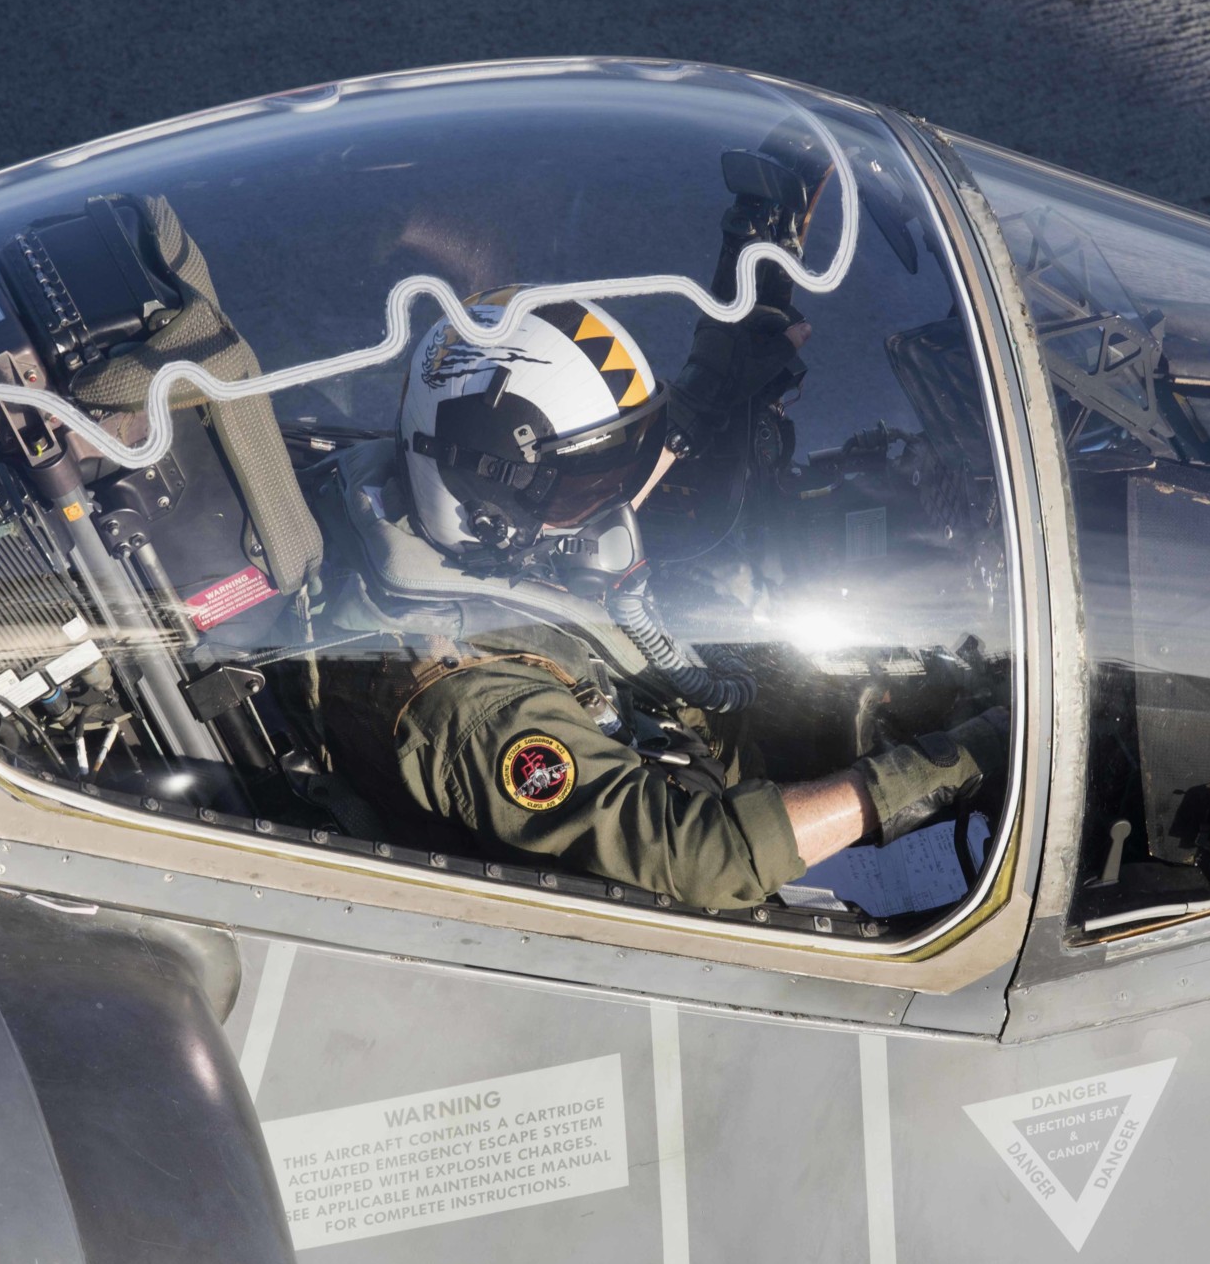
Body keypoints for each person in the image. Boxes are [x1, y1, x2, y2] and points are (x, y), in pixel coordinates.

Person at [313, 289, 1006, 911]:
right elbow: (704, 860)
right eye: (590, 485)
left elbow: (606, 461)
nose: (620, 506)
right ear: (487, 498)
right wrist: (946, 765)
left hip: (694, 749)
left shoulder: (438, 511)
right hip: (700, 875)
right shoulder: (471, 704)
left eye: (623, 464)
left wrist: (720, 376)